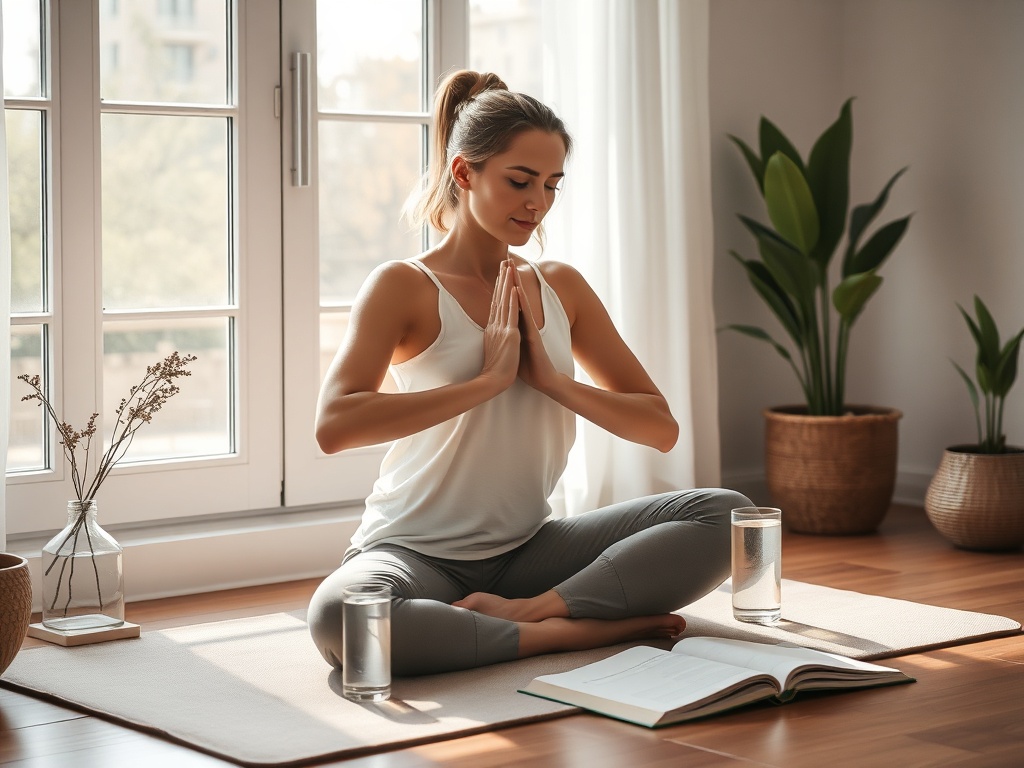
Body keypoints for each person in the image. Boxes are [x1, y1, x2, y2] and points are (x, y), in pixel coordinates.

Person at [308, 70, 751, 676]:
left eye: (551, 184)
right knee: (343, 618)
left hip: (530, 551)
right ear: (464, 173)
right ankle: (564, 635)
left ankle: (534, 611)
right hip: (412, 552)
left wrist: (553, 382)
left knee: (728, 515)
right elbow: (334, 425)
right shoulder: (404, 286)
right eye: (519, 181)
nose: (537, 202)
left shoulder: (560, 287)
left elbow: (660, 428)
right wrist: (483, 384)